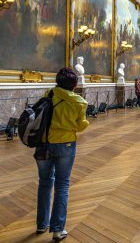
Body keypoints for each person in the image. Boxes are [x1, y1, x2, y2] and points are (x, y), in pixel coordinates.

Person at [35, 68, 89, 241]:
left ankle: (41, 224)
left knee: (44, 183)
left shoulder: (48, 94)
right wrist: (85, 122)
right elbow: (80, 126)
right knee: (62, 185)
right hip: (65, 145)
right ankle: (58, 230)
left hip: (44, 144)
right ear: (74, 85)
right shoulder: (79, 102)